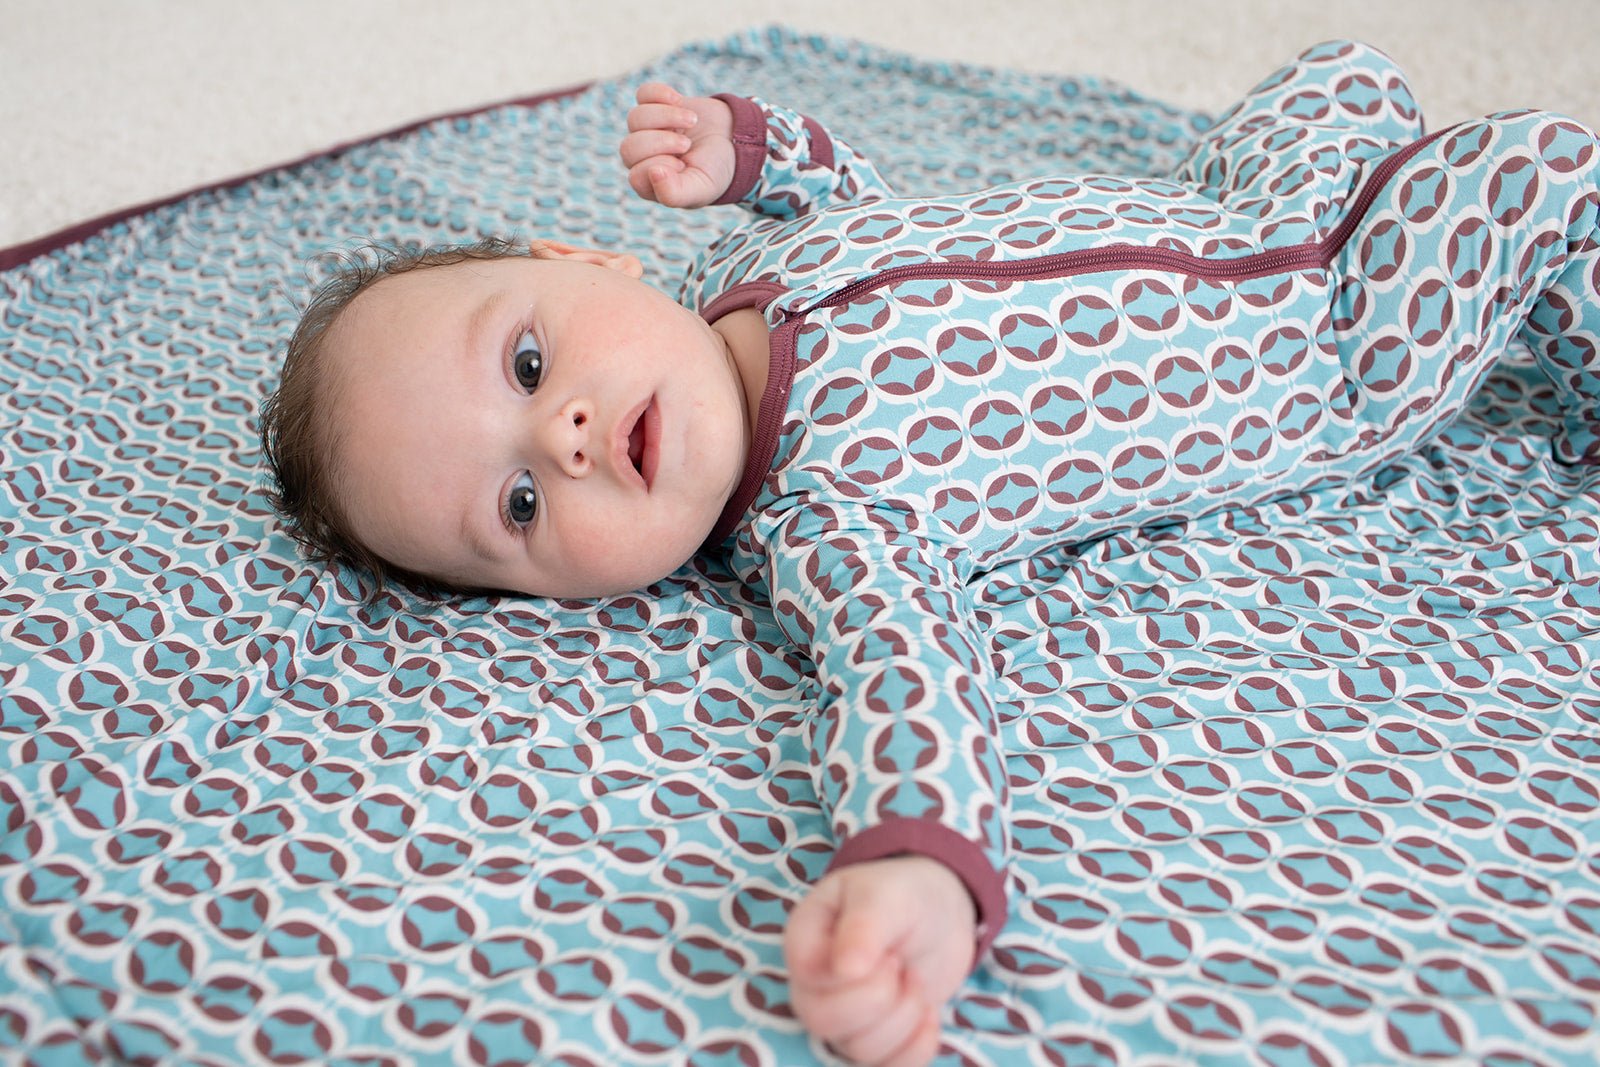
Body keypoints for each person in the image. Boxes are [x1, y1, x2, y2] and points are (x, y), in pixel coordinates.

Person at [259, 40, 1600, 1067]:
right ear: (546, 598)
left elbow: (858, 201)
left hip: (1228, 205)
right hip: (1322, 335)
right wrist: (915, 861)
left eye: (527, 362)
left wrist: (745, 146)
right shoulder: (830, 522)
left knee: (1350, 71)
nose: (559, 437)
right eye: (516, 510)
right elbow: (907, 683)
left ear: (592, 261)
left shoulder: (732, 278)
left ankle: (1384, 181)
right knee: (1541, 168)